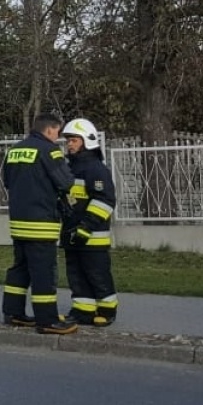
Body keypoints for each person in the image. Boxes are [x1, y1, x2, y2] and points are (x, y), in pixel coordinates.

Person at [1, 113, 78, 334]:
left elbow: (7, 181)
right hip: (42, 223)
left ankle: (13, 313)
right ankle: (47, 320)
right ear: (50, 129)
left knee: (20, 268)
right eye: (58, 132)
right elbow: (66, 182)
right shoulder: (49, 150)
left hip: (18, 222)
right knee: (43, 272)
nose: (58, 137)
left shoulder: (14, 150)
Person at [59, 118, 118, 326]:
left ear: (87, 141)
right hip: (72, 233)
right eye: (68, 140)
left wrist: (85, 227)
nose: (69, 144)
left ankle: (107, 311)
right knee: (76, 275)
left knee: (97, 275)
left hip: (93, 235)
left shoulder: (96, 169)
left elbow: (105, 201)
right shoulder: (70, 168)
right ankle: (83, 312)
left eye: (74, 140)